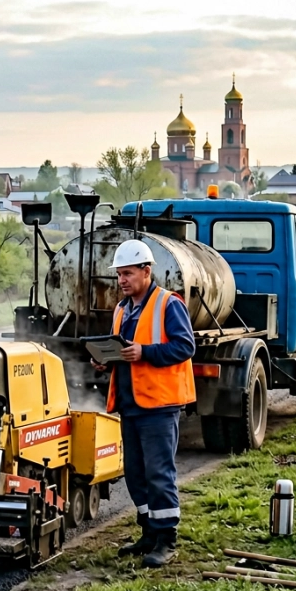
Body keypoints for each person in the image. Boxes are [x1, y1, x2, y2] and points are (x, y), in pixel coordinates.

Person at [92, 239, 196, 567]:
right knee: (136, 474)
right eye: (119, 275)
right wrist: (106, 361)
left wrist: (145, 353)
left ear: (146, 271)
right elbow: (123, 350)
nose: (122, 280)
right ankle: (149, 533)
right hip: (130, 403)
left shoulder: (169, 304)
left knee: (159, 473)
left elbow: (185, 346)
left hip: (159, 406)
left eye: (127, 273)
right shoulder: (122, 309)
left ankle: (167, 539)